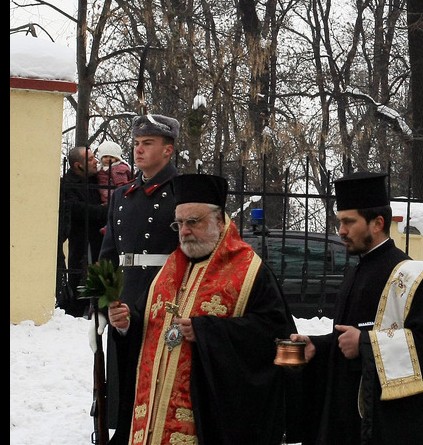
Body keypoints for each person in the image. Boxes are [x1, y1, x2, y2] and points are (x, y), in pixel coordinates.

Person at [107, 173, 296, 444]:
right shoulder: (168, 271)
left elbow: (277, 337)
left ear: (219, 222)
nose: (184, 231)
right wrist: (127, 324)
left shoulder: (250, 271)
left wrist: (208, 331)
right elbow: (147, 324)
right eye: (179, 223)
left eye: (193, 222)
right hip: (151, 421)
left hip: (208, 419)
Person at [290, 172, 423, 445]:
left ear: (377, 223)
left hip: (384, 423)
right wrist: (319, 345)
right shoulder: (357, 271)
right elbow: (348, 335)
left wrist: (365, 343)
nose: (341, 230)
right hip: (348, 415)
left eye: (349, 222)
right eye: (340, 222)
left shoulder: (408, 276)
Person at [98, 114, 182, 445]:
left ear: (168, 150)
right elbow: (107, 256)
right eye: (135, 143)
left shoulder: (180, 193)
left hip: (165, 296)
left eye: (148, 143)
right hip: (125, 296)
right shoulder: (122, 196)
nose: (139, 150)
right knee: (123, 376)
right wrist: (104, 303)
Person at [58, 146, 108, 316]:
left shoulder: (99, 179)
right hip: (80, 239)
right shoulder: (68, 184)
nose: (96, 161)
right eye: (91, 159)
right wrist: (105, 211)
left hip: (101, 238)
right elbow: (76, 209)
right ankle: (77, 310)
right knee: (79, 278)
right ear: (78, 166)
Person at [95, 140, 134, 205]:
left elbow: (122, 186)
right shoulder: (100, 168)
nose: (108, 159)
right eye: (105, 156)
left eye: (111, 157)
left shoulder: (118, 169)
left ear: (117, 158)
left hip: (115, 198)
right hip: (103, 197)